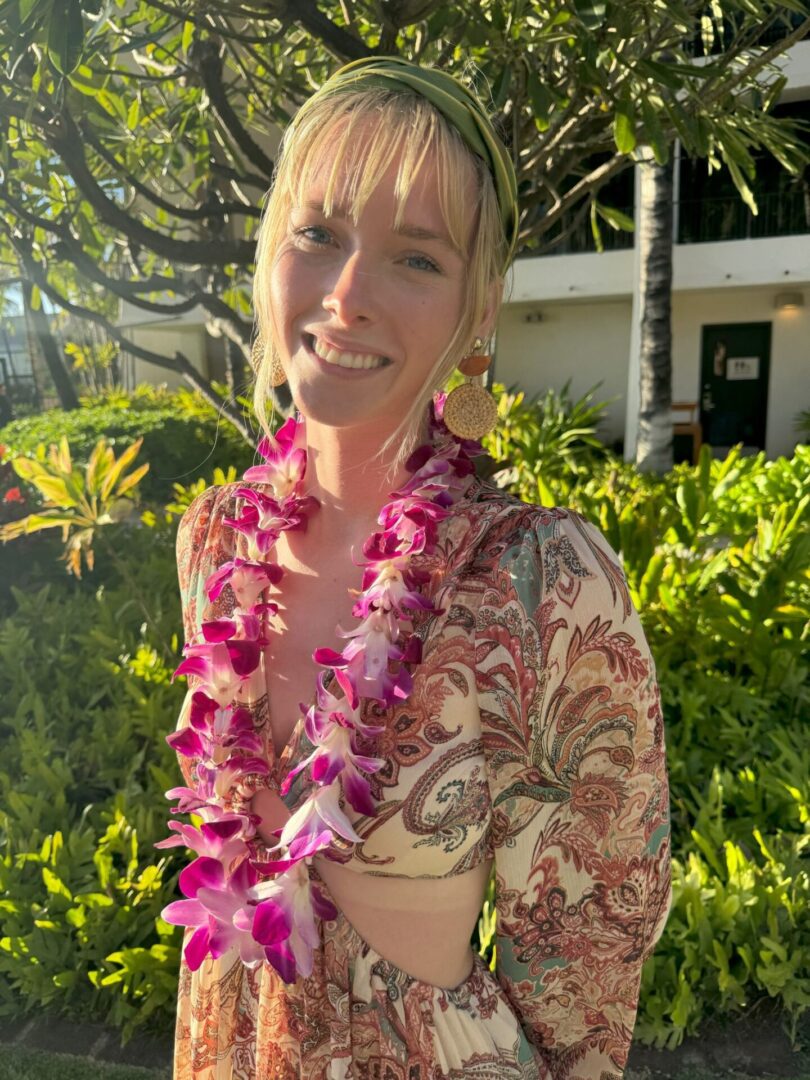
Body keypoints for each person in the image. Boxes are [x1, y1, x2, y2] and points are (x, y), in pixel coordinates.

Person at [164, 57, 671, 1080]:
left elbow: (589, 960)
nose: (346, 294)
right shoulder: (215, 542)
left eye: (416, 259)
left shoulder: (542, 579)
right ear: (271, 256)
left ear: (476, 312)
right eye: (318, 235)